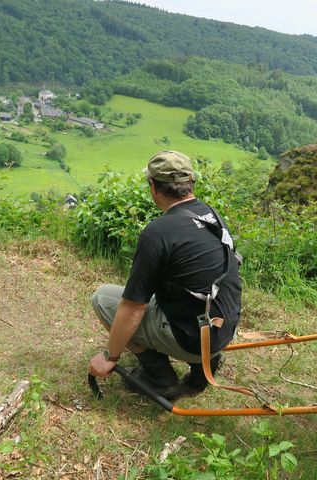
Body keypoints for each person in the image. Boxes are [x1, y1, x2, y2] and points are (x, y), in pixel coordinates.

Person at [87, 150, 242, 399]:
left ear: (153, 186)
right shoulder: (212, 215)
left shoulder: (158, 231)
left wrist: (109, 357)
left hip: (193, 339)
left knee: (103, 298)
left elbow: (133, 307)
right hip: (225, 327)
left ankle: (158, 376)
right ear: (191, 183)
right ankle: (203, 365)